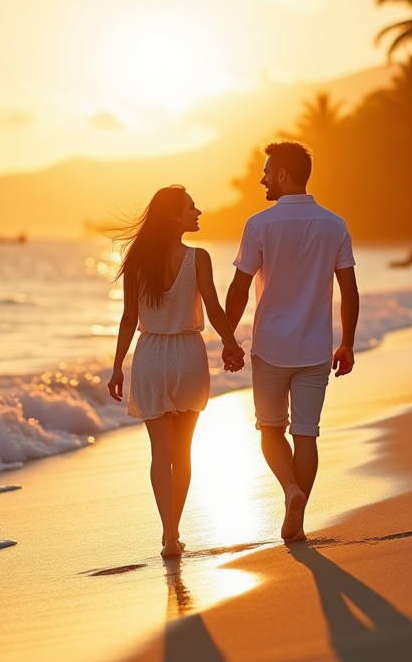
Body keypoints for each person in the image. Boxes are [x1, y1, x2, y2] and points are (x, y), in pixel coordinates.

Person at [225, 142, 359, 542]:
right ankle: (297, 519)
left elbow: (238, 287)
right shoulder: (334, 224)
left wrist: (228, 338)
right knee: (306, 433)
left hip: (270, 348)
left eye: (267, 171)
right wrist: (347, 343)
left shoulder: (260, 224)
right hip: (316, 347)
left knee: (270, 430)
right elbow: (349, 291)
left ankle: (290, 490)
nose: (262, 179)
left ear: (283, 174)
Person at [107, 186, 245, 558]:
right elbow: (214, 311)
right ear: (173, 216)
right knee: (182, 452)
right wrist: (230, 344)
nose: (198, 211)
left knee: (160, 452)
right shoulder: (198, 258)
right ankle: (174, 531)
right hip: (187, 355)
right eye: (190, 207)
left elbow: (128, 319)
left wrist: (118, 366)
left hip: (150, 355)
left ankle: (169, 533)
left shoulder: (136, 261)